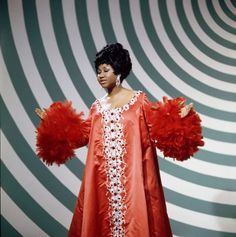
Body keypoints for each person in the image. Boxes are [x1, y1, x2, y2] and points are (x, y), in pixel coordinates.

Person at [35, 43, 204, 237]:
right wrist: (54, 124)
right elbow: (81, 136)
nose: (100, 75)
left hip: (134, 182)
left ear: (119, 71)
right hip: (101, 184)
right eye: (98, 71)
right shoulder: (96, 107)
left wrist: (177, 119)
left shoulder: (139, 101)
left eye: (106, 70)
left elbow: (158, 127)